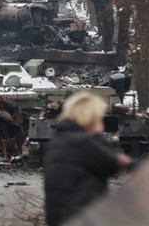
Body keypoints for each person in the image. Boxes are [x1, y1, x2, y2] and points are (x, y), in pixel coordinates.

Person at [44, 92, 132, 226]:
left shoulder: (61, 140)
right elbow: (110, 163)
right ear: (90, 117)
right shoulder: (81, 142)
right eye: (99, 117)